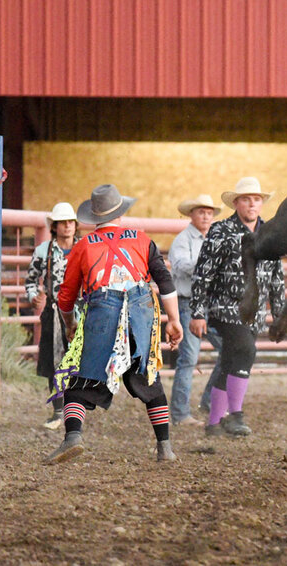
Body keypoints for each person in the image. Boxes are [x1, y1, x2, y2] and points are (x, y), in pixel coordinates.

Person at [45, 184, 183, 464]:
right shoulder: (143, 240)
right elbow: (164, 281)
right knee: (148, 377)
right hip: (140, 308)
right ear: (120, 211)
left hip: (102, 308)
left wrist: (70, 325)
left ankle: (72, 437)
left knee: (82, 378)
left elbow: (66, 297)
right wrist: (174, 320)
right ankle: (164, 447)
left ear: (93, 216)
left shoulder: (83, 246)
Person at [189, 177, 284, 437]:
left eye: (257, 199)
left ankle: (214, 422)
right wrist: (197, 312)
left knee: (232, 360)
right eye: (246, 199)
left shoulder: (269, 234)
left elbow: (276, 275)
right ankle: (236, 415)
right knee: (245, 351)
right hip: (225, 306)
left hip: (254, 311)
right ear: (236, 203)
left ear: (262, 203)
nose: (252, 204)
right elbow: (203, 273)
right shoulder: (221, 231)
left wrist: (279, 312)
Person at [168, 193, 224, 426]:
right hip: (189, 302)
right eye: (201, 212)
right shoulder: (183, 240)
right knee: (189, 357)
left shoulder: (212, 239)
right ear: (191, 214)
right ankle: (180, 414)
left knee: (229, 349)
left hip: (210, 302)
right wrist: (209, 266)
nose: (206, 216)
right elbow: (180, 265)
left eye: (209, 213)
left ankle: (210, 400)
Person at [24, 202, 80, 429]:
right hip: (54, 310)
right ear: (55, 226)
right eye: (63, 223)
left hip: (80, 310)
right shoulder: (43, 251)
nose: (67, 226)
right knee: (54, 362)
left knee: (78, 361)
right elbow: (30, 280)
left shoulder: (83, 248)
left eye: (70, 222)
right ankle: (59, 411)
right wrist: (33, 296)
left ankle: (74, 411)